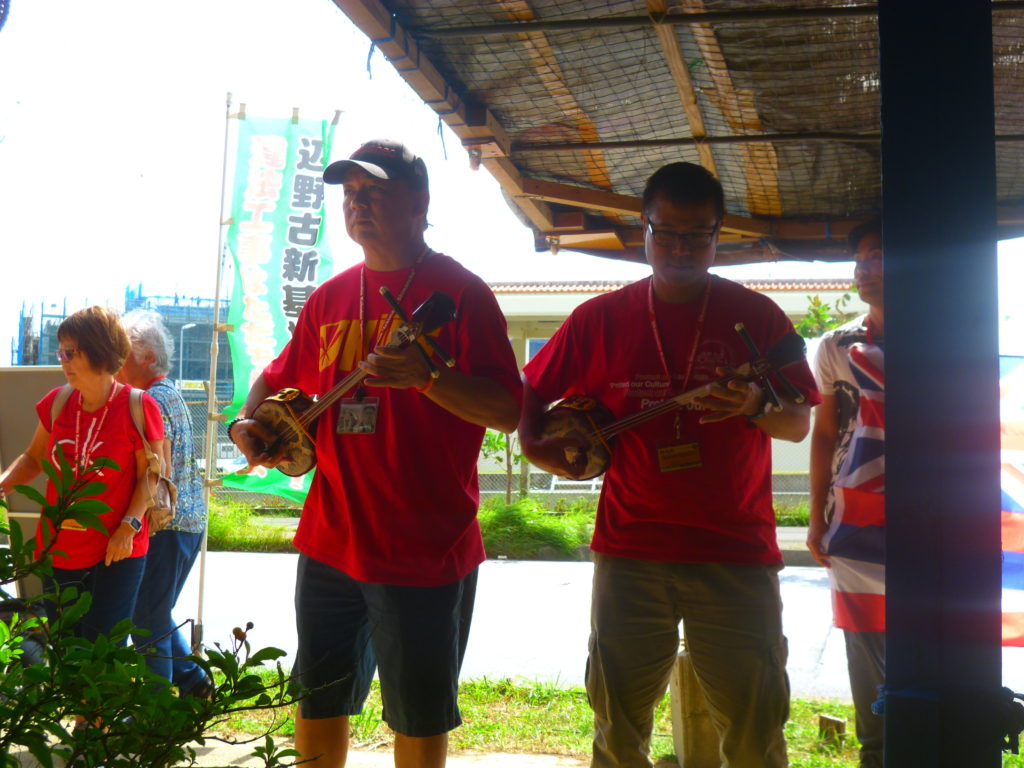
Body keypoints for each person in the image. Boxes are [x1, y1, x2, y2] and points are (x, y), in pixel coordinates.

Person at [229, 138, 522, 768]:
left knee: (417, 714)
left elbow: (507, 409)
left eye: (375, 192)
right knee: (318, 700)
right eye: (350, 194)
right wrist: (247, 424)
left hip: (423, 545)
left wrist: (429, 378)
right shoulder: (331, 297)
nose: (357, 204)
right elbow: (275, 376)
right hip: (330, 537)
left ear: (419, 204)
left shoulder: (461, 293)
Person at [519, 162, 821, 768]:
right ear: (645, 229)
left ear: (718, 235)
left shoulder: (758, 317)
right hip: (630, 549)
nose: (682, 249)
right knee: (617, 732)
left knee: (755, 733)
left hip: (734, 551)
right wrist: (537, 446)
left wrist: (755, 404)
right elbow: (528, 390)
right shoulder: (600, 319)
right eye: (668, 233)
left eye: (698, 236)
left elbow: (797, 422)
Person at [0, 306, 164, 642]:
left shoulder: (138, 405)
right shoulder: (57, 402)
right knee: (64, 647)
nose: (63, 360)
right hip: (58, 547)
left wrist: (129, 526)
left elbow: (151, 475)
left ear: (100, 351)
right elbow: (32, 459)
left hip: (116, 551)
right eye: (60, 352)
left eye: (70, 352)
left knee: (101, 649)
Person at [806, 217, 885, 768]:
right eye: (859, 259)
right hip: (854, 516)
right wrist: (816, 515)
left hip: (934, 517)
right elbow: (825, 433)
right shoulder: (837, 346)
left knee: (933, 640)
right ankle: (876, 753)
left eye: (877, 256)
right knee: (866, 648)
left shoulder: (950, 337)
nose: (864, 269)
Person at [119, 309, 214, 698]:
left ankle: (157, 709)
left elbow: (160, 470)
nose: (114, 361)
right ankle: (193, 681)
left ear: (147, 357)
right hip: (186, 523)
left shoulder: (151, 400)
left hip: (167, 525)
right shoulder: (169, 393)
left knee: (146, 618)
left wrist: (130, 520)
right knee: (152, 613)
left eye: (122, 352)